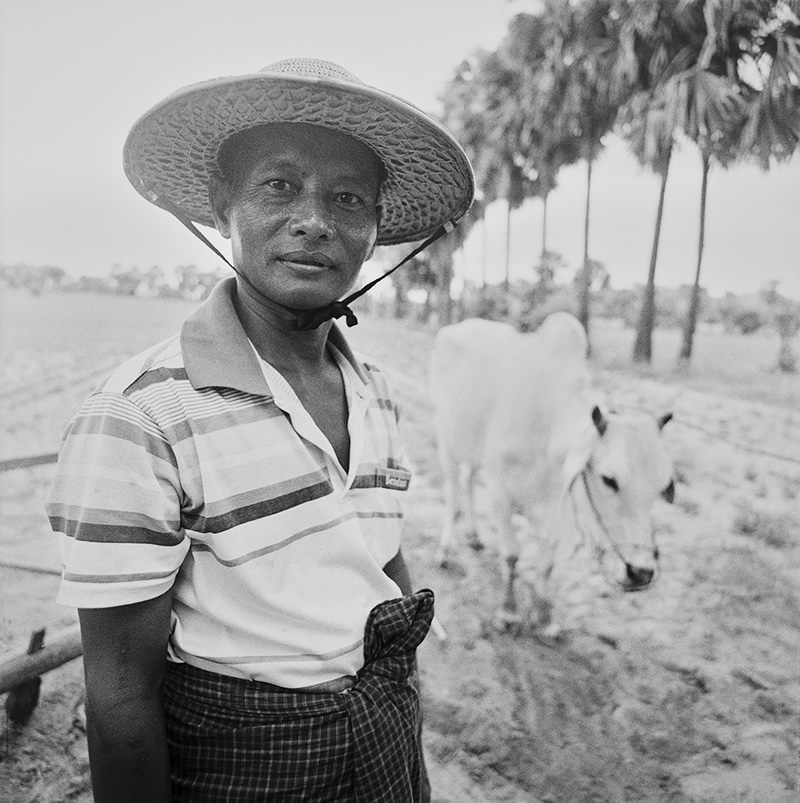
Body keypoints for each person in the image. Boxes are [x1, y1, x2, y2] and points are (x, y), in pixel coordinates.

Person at [46, 58, 473, 802]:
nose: (314, 219)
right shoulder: (142, 415)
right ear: (221, 207)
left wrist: (398, 682)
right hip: (243, 768)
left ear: (374, 230)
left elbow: (377, 545)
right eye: (279, 186)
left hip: (384, 743)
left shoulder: (375, 393)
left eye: (346, 198)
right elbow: (119, 702)